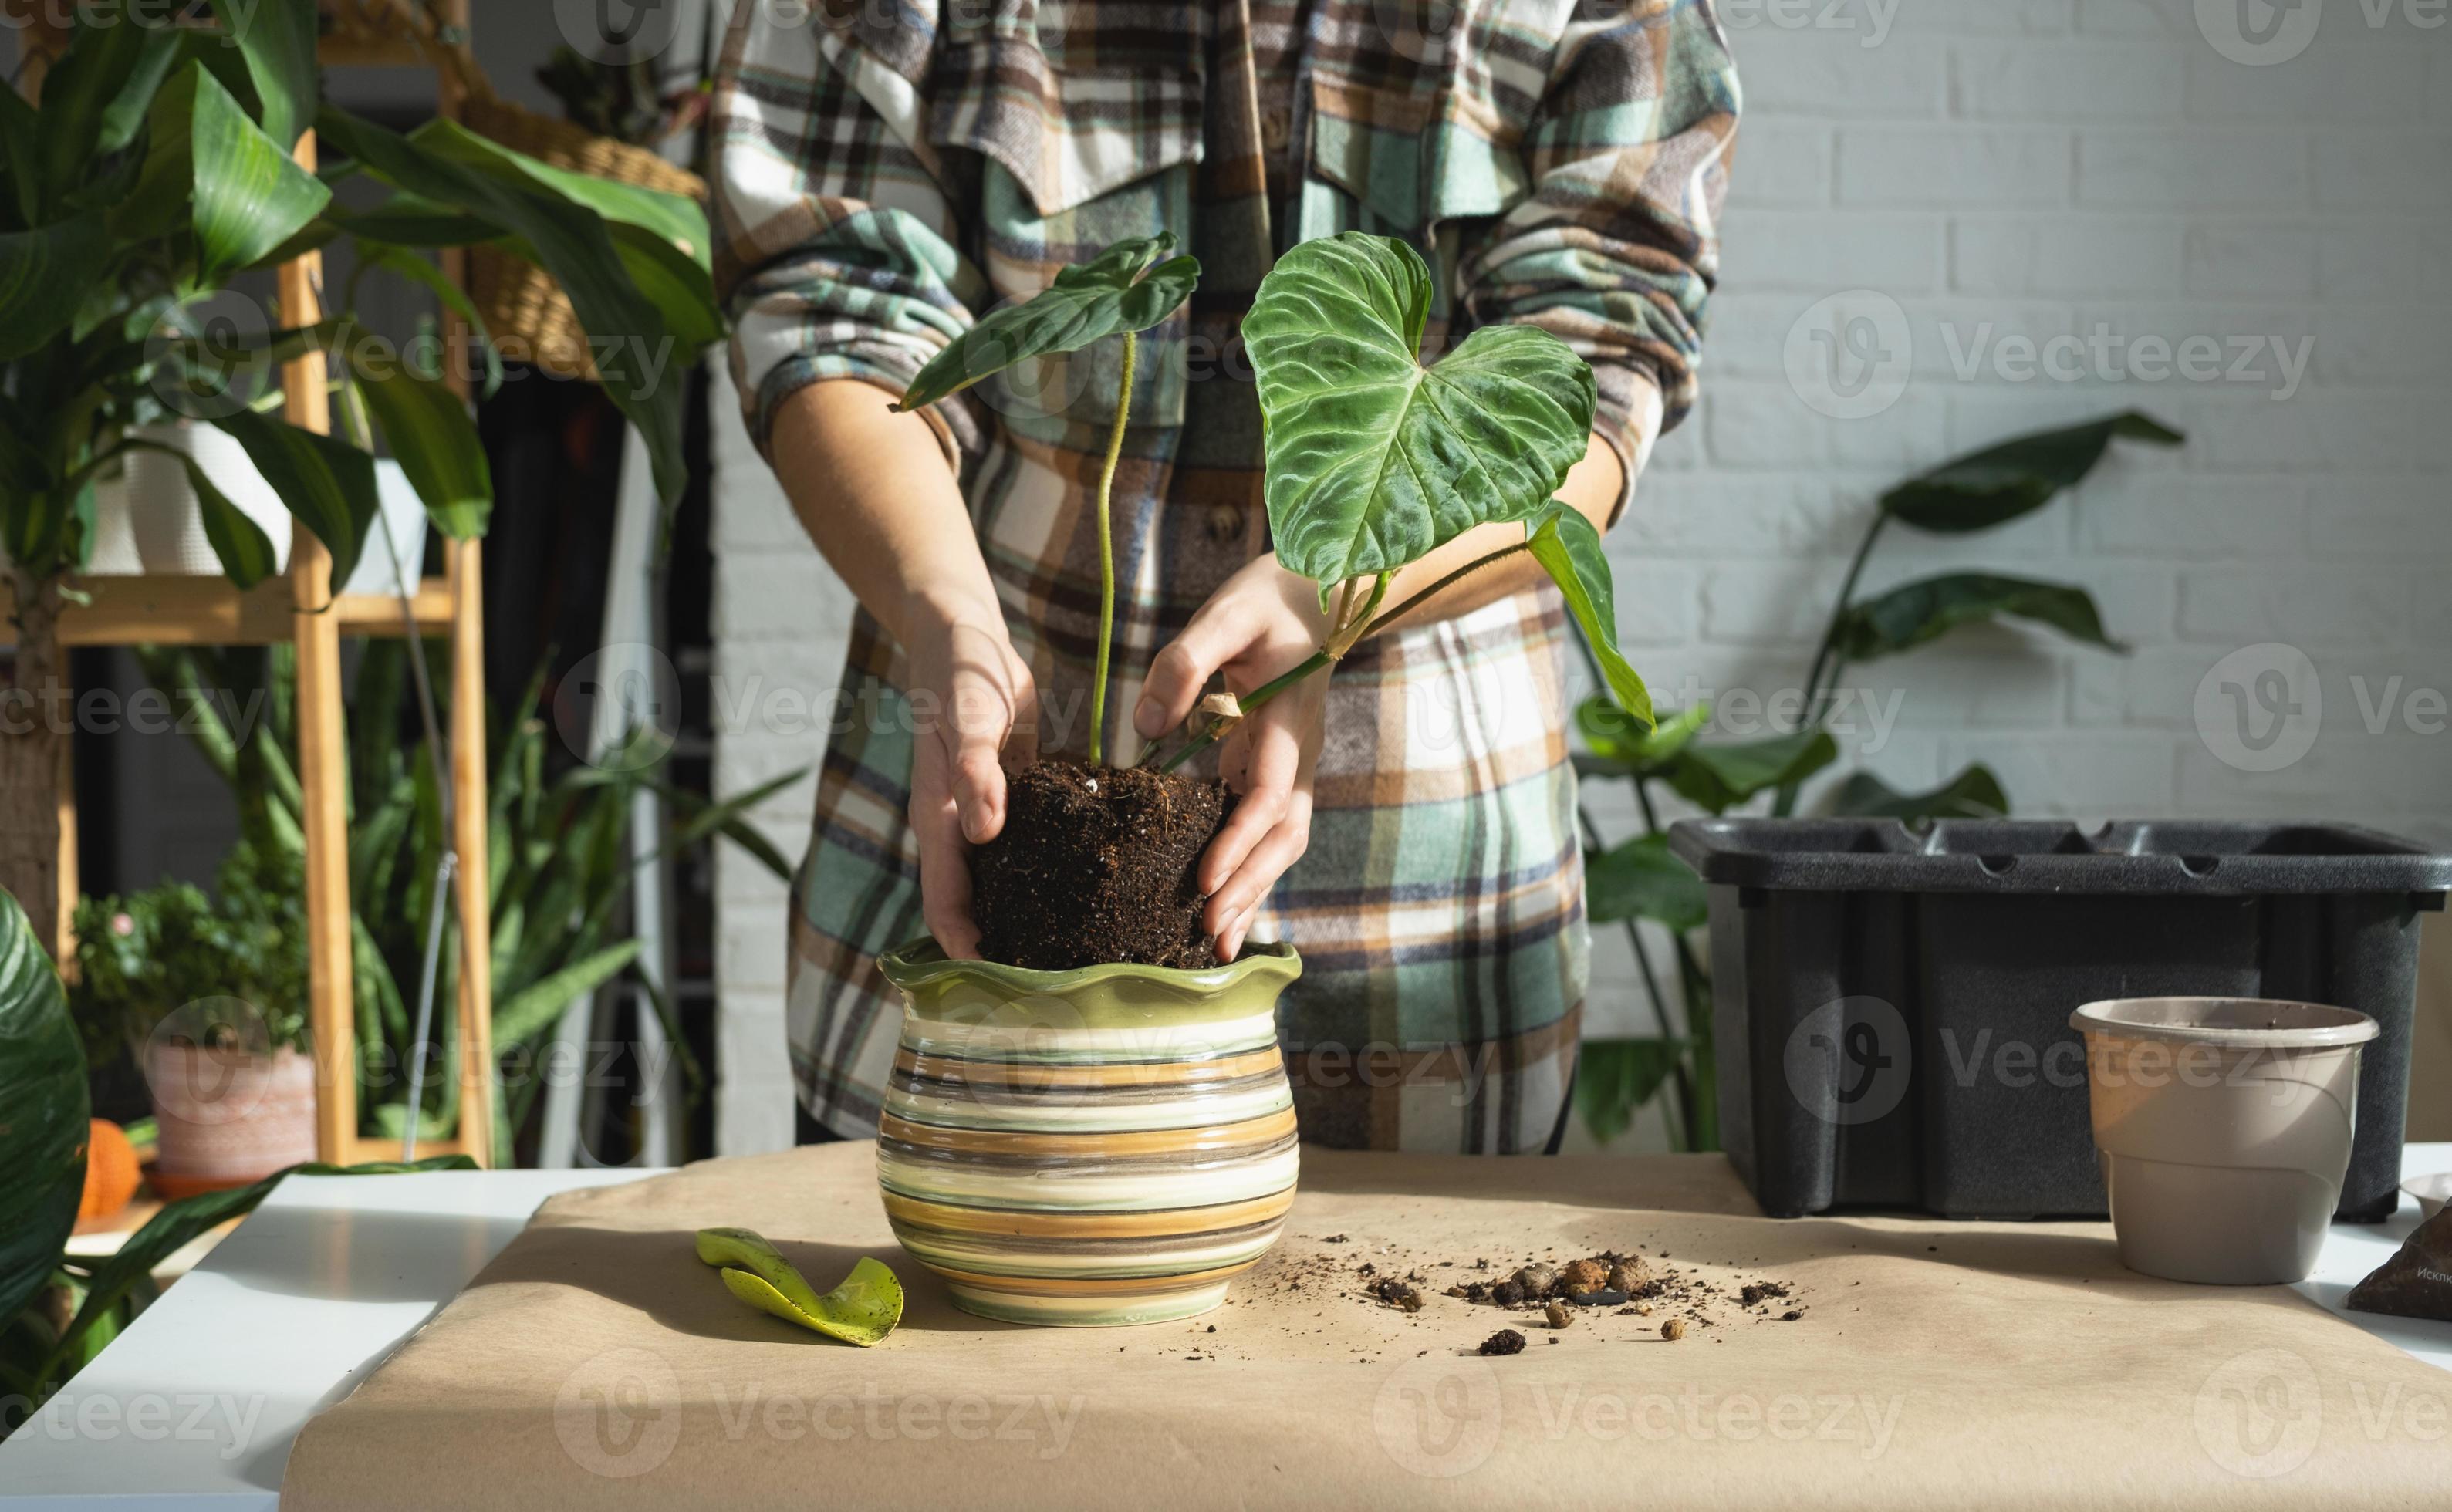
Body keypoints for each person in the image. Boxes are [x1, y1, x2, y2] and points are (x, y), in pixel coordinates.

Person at [711, 0, 1737, 1153]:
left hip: (1429, 964)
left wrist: (1327, 597)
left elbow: (1587, 383)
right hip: (974, 926)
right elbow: (831, 312)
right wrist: (948, 617)